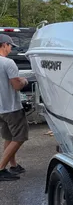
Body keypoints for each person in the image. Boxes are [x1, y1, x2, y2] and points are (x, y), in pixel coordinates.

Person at [0, 34, 29, 181]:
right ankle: (0, 168)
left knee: (9, 137)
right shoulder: (8, 62)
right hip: (11, 107)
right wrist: (24, 81)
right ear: (4, 45)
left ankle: (13, 165)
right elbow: (17, 85)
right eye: (10, 46)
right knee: (19, 137)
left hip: (0, 109)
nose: (11, 49)